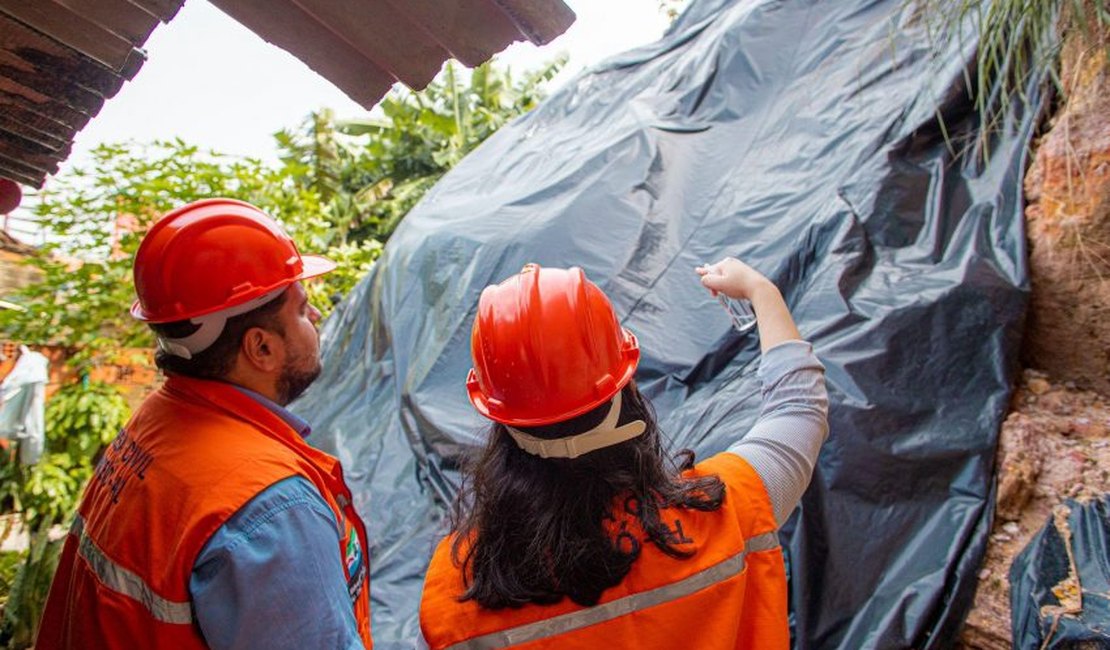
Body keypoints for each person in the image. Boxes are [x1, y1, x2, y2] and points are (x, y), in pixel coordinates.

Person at [419, 259, 828, 649]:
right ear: (625, 392)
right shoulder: (727, 511)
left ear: (500, 424)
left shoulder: (454, 592)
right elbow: (799, 411)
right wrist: (761, 292)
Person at [38, 199, 372, 649]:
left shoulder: (158, 420)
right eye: (301, 308)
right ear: (262, 349)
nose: (315, 317)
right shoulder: (272, 507)